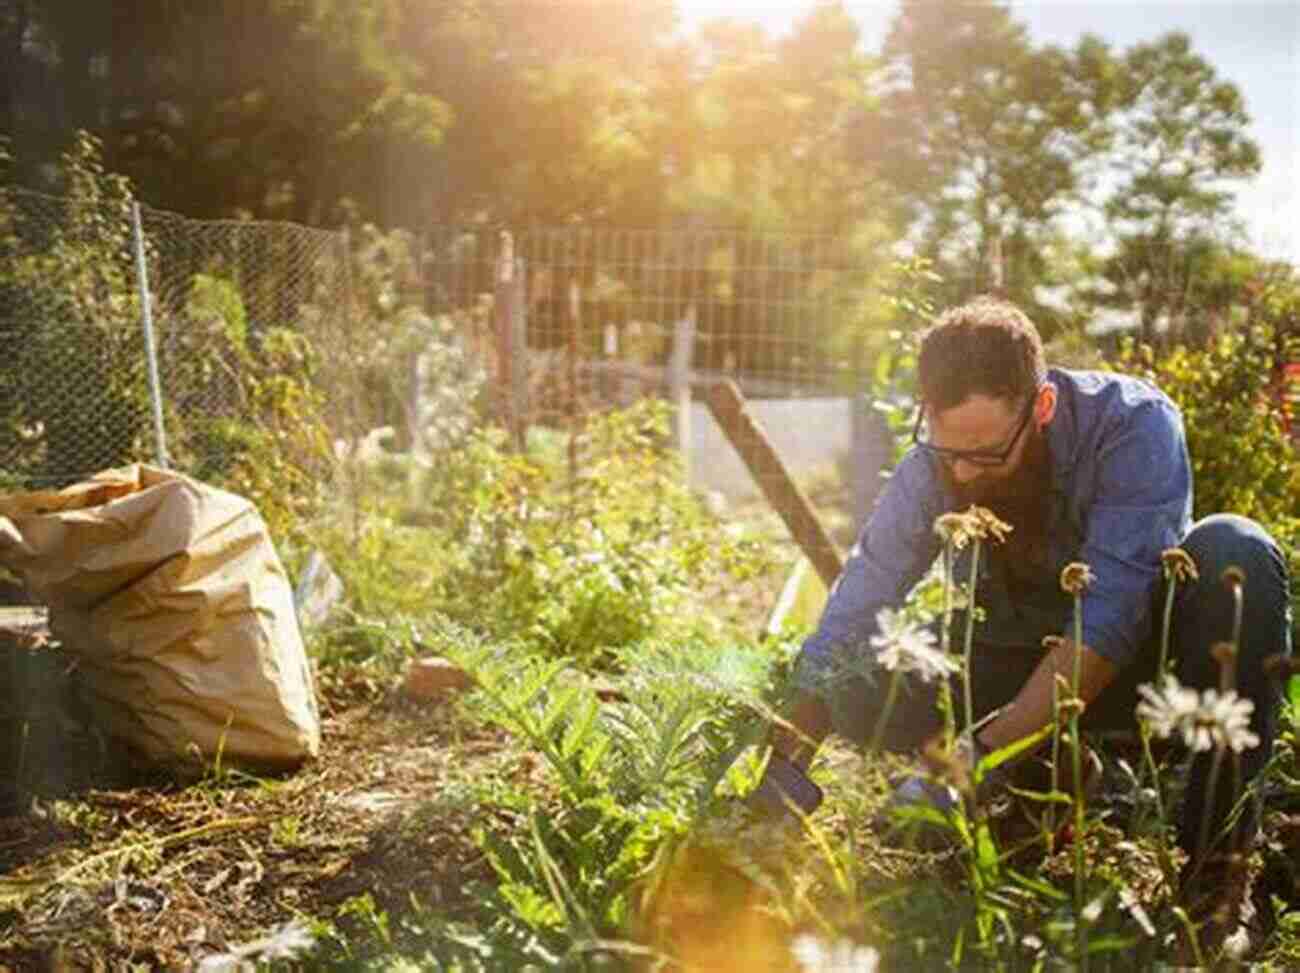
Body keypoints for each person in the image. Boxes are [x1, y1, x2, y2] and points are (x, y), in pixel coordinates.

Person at [748, 296, 1292, 951]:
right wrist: (782, 767)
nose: (964, 473)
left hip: (1144, 680)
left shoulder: (1133, 426)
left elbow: (1110, 621)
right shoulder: (937, 461)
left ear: (1041, 408)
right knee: (855, 676)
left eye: (986, 453)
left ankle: (1217, 886)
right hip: (1013, 673)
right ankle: (1047, 785)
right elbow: (856, 603)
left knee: (1236, 549)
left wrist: (971, 759)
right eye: (950, 452)